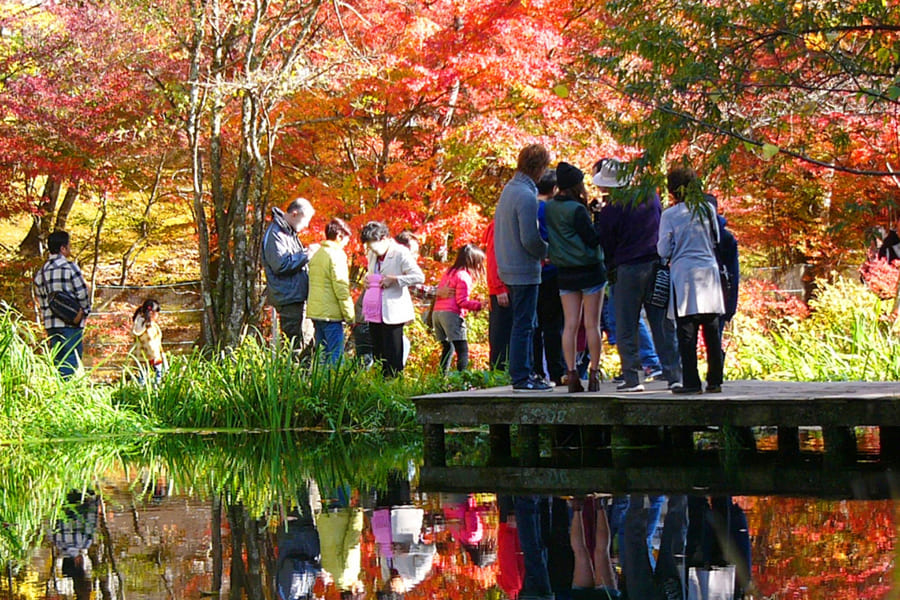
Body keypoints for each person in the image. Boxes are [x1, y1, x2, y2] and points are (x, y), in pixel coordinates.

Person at [594, 158, 681, 392]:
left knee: (626, 325)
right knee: (662, 323)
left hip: (626, 269)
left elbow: (606, 242)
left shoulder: (611, 209)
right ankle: (674, 374)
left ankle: (632, 378)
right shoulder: (651, 197)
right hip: (655, 264)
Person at [658, 167, 724, 394]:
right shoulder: (707, 209)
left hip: (684, 274)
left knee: (687, 332)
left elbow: (663, 249)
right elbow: (716, 238)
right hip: (709, 270)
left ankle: (691, 381)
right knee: (712, 329)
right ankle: (715, 379)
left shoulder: (670, 215)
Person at [494, 143, 552, 392]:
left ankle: (525, 373)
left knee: (524, 323)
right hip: (523, 269)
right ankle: (521, 376)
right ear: (539, 168)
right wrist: (549, 252)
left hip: (507, 265)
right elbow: (529, 238)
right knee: (524, 325)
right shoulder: (526, 196)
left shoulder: (509, 189)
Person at [545, 162, 607, 392]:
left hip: (565, 273)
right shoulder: (577, 210)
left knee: (569, 325)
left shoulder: (550, 208)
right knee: (592, 324)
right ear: (576, 185)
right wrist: (598, 218)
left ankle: (571, 374)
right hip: (589, 270)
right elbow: (592, 239)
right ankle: (593, 374)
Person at [360, 221, 425, 377]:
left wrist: (395, 279)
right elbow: (371, 273)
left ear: (384, 239)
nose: (372, 250)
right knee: (378, 353)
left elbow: (419, 277)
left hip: (393, 310)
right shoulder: (372, 254)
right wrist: (366, 280)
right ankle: (381, 385)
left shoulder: (400, 253)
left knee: (393, 354)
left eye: (373, 245)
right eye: (369, 246)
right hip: (375, 310)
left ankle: (394, 385)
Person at [33, 230, 92, 378]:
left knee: (58, 361)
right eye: (69, 245)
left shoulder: (41, 273)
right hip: (71, 323)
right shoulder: (70, 268)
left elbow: (41, 300)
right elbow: (82, 293)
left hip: (52, 325)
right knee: (71, 361)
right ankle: (66, 395)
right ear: (62, 248)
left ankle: (57, 392)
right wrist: (83, 312)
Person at [263, 197, 315, 352]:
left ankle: (303, 374)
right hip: (288, 298)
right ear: (294, 214)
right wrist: (307, 255)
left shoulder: (288, 233)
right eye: (305, 220)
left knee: (306, 342)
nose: (307, 225)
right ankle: (294, 374)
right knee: (296, 345)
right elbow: (281, 265)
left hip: (296, 296)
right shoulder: (276, 233)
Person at [307, 218, 355, 365]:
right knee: (335, 356)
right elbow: (341, 288)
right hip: (331, 315)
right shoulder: (336, 255)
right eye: (346, 239)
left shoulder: (318, 254)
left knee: (321, 356)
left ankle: (317, 386)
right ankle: (332, 386)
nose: (347, 243)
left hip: (316, 312)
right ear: (339, 236)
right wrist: (350, 316)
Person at [432, 244, 486, 372]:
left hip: (437, 313)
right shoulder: (463, 276)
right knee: (462, 349)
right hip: (451, 314)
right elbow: (462, 301)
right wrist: (479, 305)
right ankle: (464, 379)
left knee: (447, 347)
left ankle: (442, 377)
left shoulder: (449, 272)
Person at [534, 169, 566, 386]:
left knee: (534, 325)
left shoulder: (530, 207)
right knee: (554, 325)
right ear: (554, 189)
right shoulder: (551, 210)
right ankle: (557, 370)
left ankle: (536, 370)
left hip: (532, 272)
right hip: (552, 271)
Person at [483, 220, 512, 371]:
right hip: (502, 290)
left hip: (510, 286)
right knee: (500, 336)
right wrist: (498, 287)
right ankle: (499, 374)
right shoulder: (499, 225)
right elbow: (493, 258)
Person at [130, 298, 165, 385]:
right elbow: (151, 345)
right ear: (152, 312)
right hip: (153, 359)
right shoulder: (149, 327)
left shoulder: (139, 324)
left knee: (142, 380)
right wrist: (156, 358)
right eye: (157, 313)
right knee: (157, 381)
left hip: (141, 359)